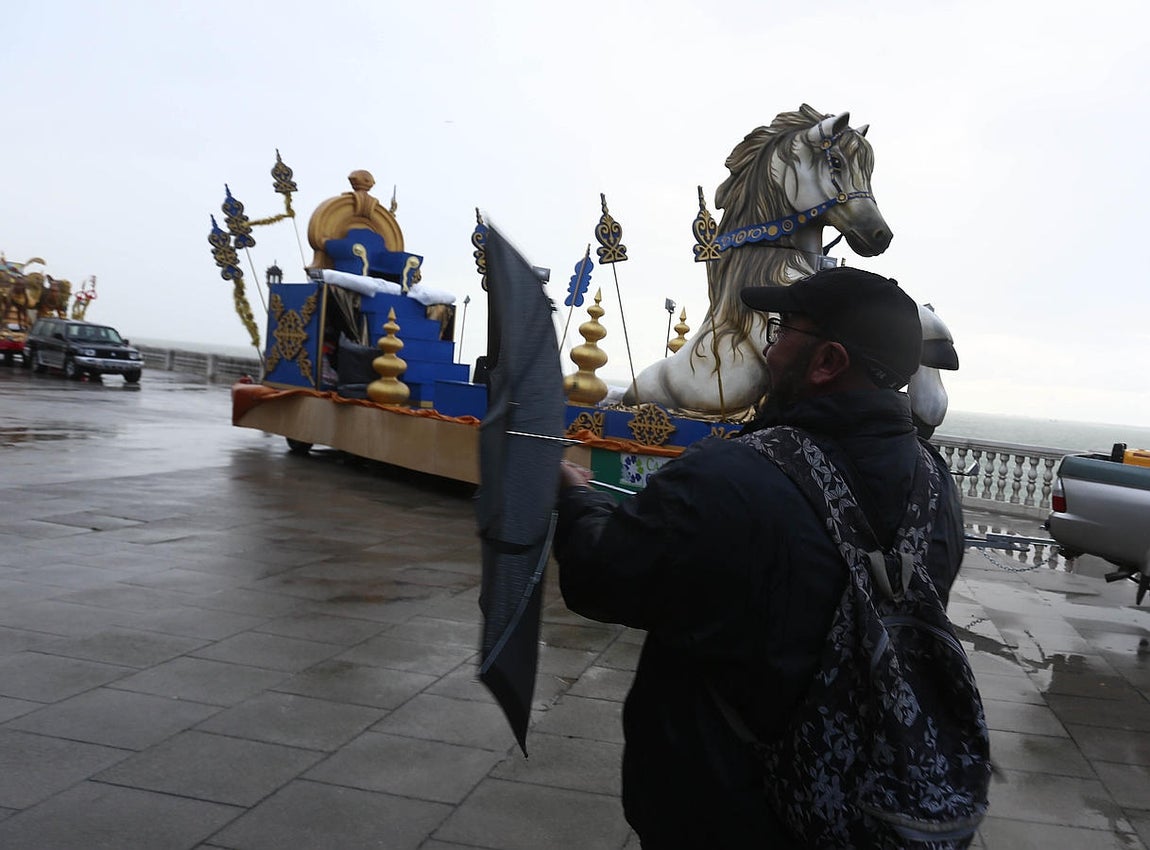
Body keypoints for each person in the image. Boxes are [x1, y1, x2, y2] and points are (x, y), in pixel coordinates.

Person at [552, 266, 965, 849]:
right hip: (867, 800)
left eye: (781, 331)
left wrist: (576, 503)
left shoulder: (731, 477)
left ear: (827, 362)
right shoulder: (938, 488)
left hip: (722, 808)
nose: (769, 351)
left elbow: (603, 575)